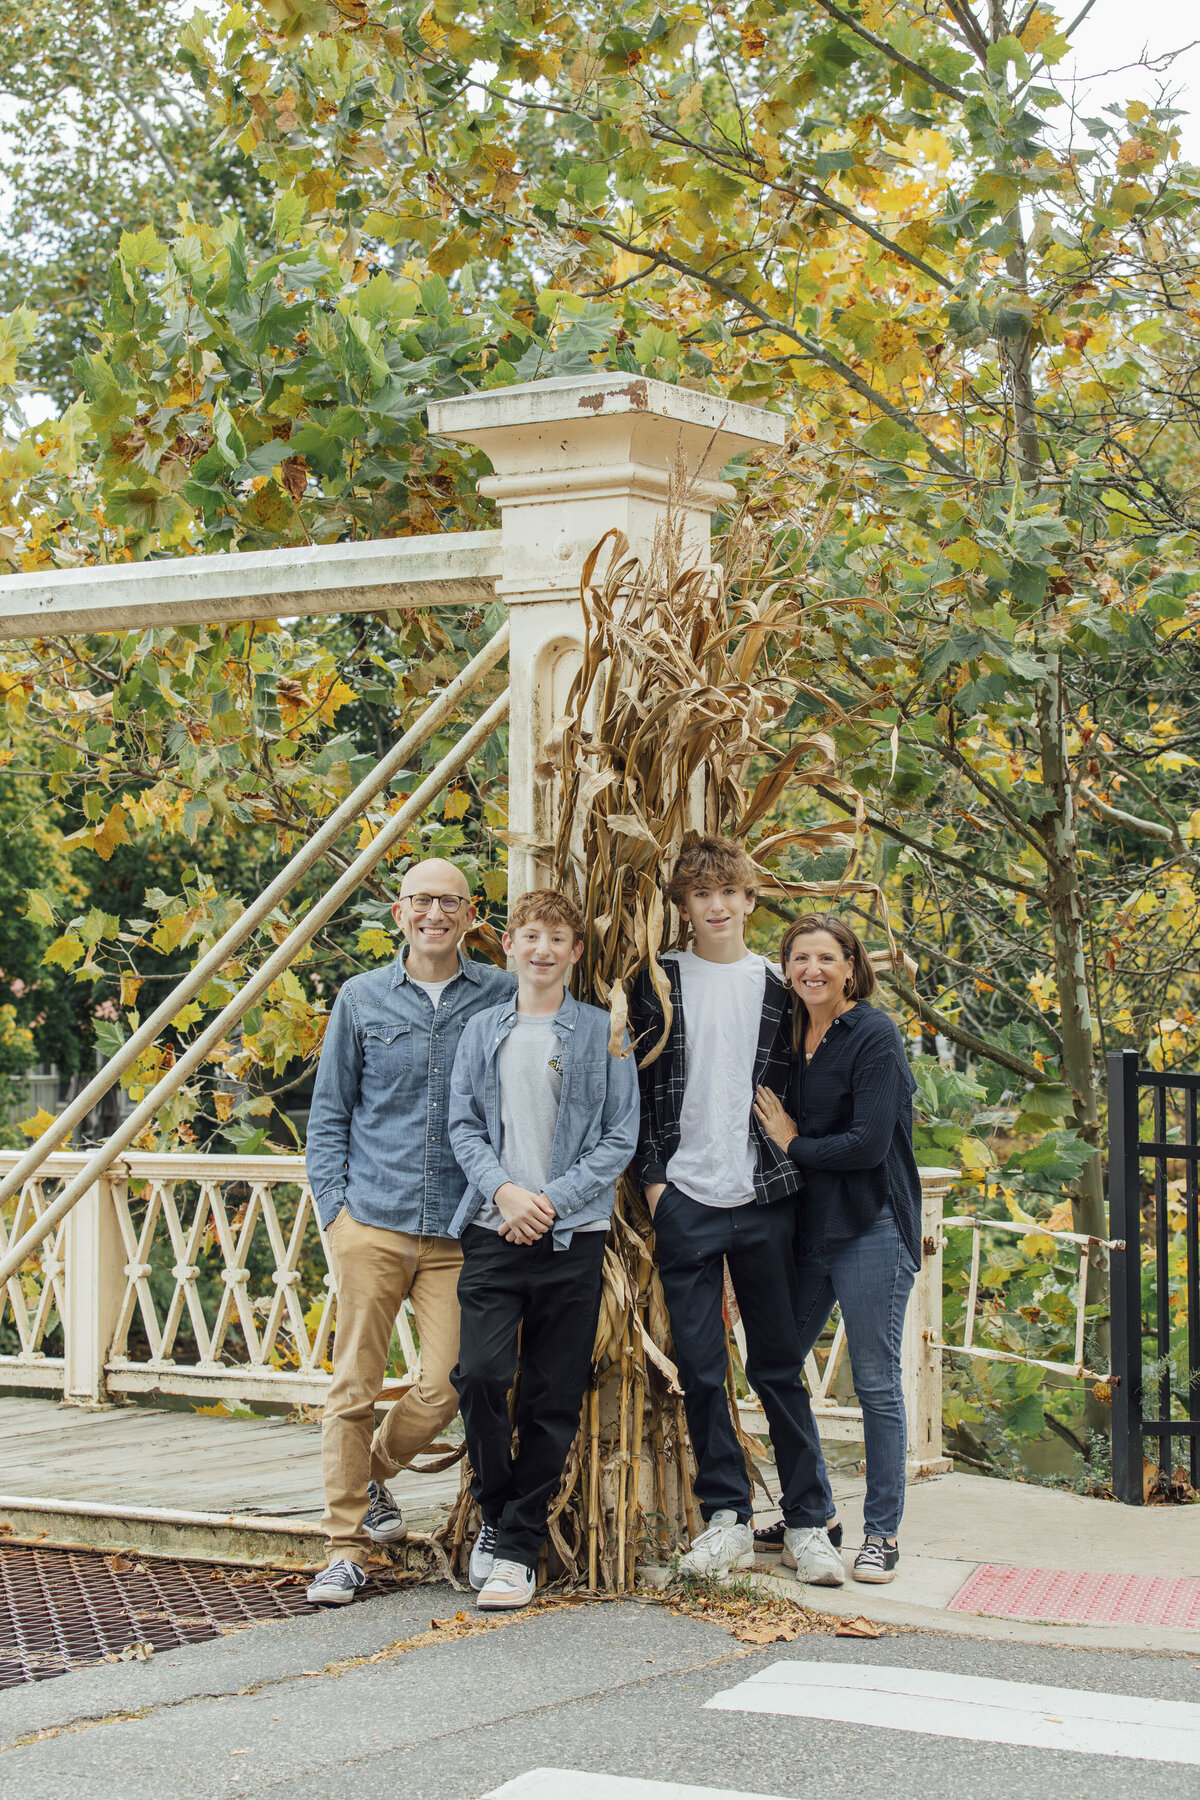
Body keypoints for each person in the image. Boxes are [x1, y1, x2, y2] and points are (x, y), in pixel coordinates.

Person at [630, 836, 843, 1586]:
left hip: (764, 1197)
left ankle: (809, 1521)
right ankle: (726, 1518)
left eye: (729, 893)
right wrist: (658, 1184)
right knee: (702, 1367)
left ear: (750, 900)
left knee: (779, 1365)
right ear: (683, 907)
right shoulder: (656, 981)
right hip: (685, 1197)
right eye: (700, 895)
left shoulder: (781, 987)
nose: (716, 906)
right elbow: (640, 1092)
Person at [303, 858, 517, 1605]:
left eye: (449, 902)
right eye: (422, 901)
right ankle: (343, 1548)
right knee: (352, 1386)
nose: (435, 913)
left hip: (462, 1230)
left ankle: (368, 1473)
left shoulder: (501, 991)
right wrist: (335, 1214)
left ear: (469, 914)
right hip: (373, 1220)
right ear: (399, 913)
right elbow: (329, 1115)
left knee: (451, 1380)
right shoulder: (362, 999)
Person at [448, 888, 639, 1610]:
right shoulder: (481, 1031)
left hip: (571, 1237)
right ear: (510, 947)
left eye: (558, 938)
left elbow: (620, 1134)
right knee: (482, 1375)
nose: (543, 950)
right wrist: (505, 1194)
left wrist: (550, 1201)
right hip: (494, 1232)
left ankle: (517, 1549)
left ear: (576, 952)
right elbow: (464, 1126)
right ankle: (497, 1516)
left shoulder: (600, 1031)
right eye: (530, 936)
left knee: (552, 1396)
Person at [753, 914, 921, 1584]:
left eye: (826, 957)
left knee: (876, 1383)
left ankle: (882, 1534)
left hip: (870, 1225)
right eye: (799, 958)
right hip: (808, 1229)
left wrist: (792, 1142)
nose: (812, 970)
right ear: (786, 967)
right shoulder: (792, 1033)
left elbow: (869, 1144)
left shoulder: (873, 1035)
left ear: (852, 966)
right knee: (775, 1366)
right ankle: (815, 1509)